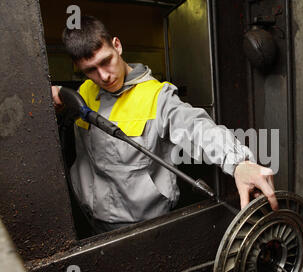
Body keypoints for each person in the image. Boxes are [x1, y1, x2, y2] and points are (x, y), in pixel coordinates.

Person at [51, 16, 278, 234]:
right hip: (92, 216)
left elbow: (195, 128)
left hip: (143, 223)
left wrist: (238, 162)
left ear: (117, 46)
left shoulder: (157, 96)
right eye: (91, 70)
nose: (104, 76)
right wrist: (56, 96)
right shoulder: (84, 92)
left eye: (105, 61)